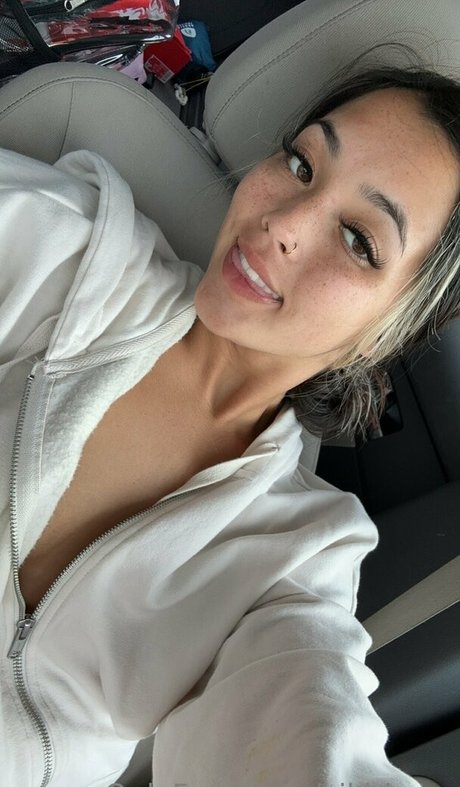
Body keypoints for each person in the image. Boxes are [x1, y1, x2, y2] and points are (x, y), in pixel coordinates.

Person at [1, 55, 459, 787]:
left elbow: (303, 731)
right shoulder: (63, 252)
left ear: (385, 335)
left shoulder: (300, 557)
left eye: (359, 240)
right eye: (302, 165)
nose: (283, 222)